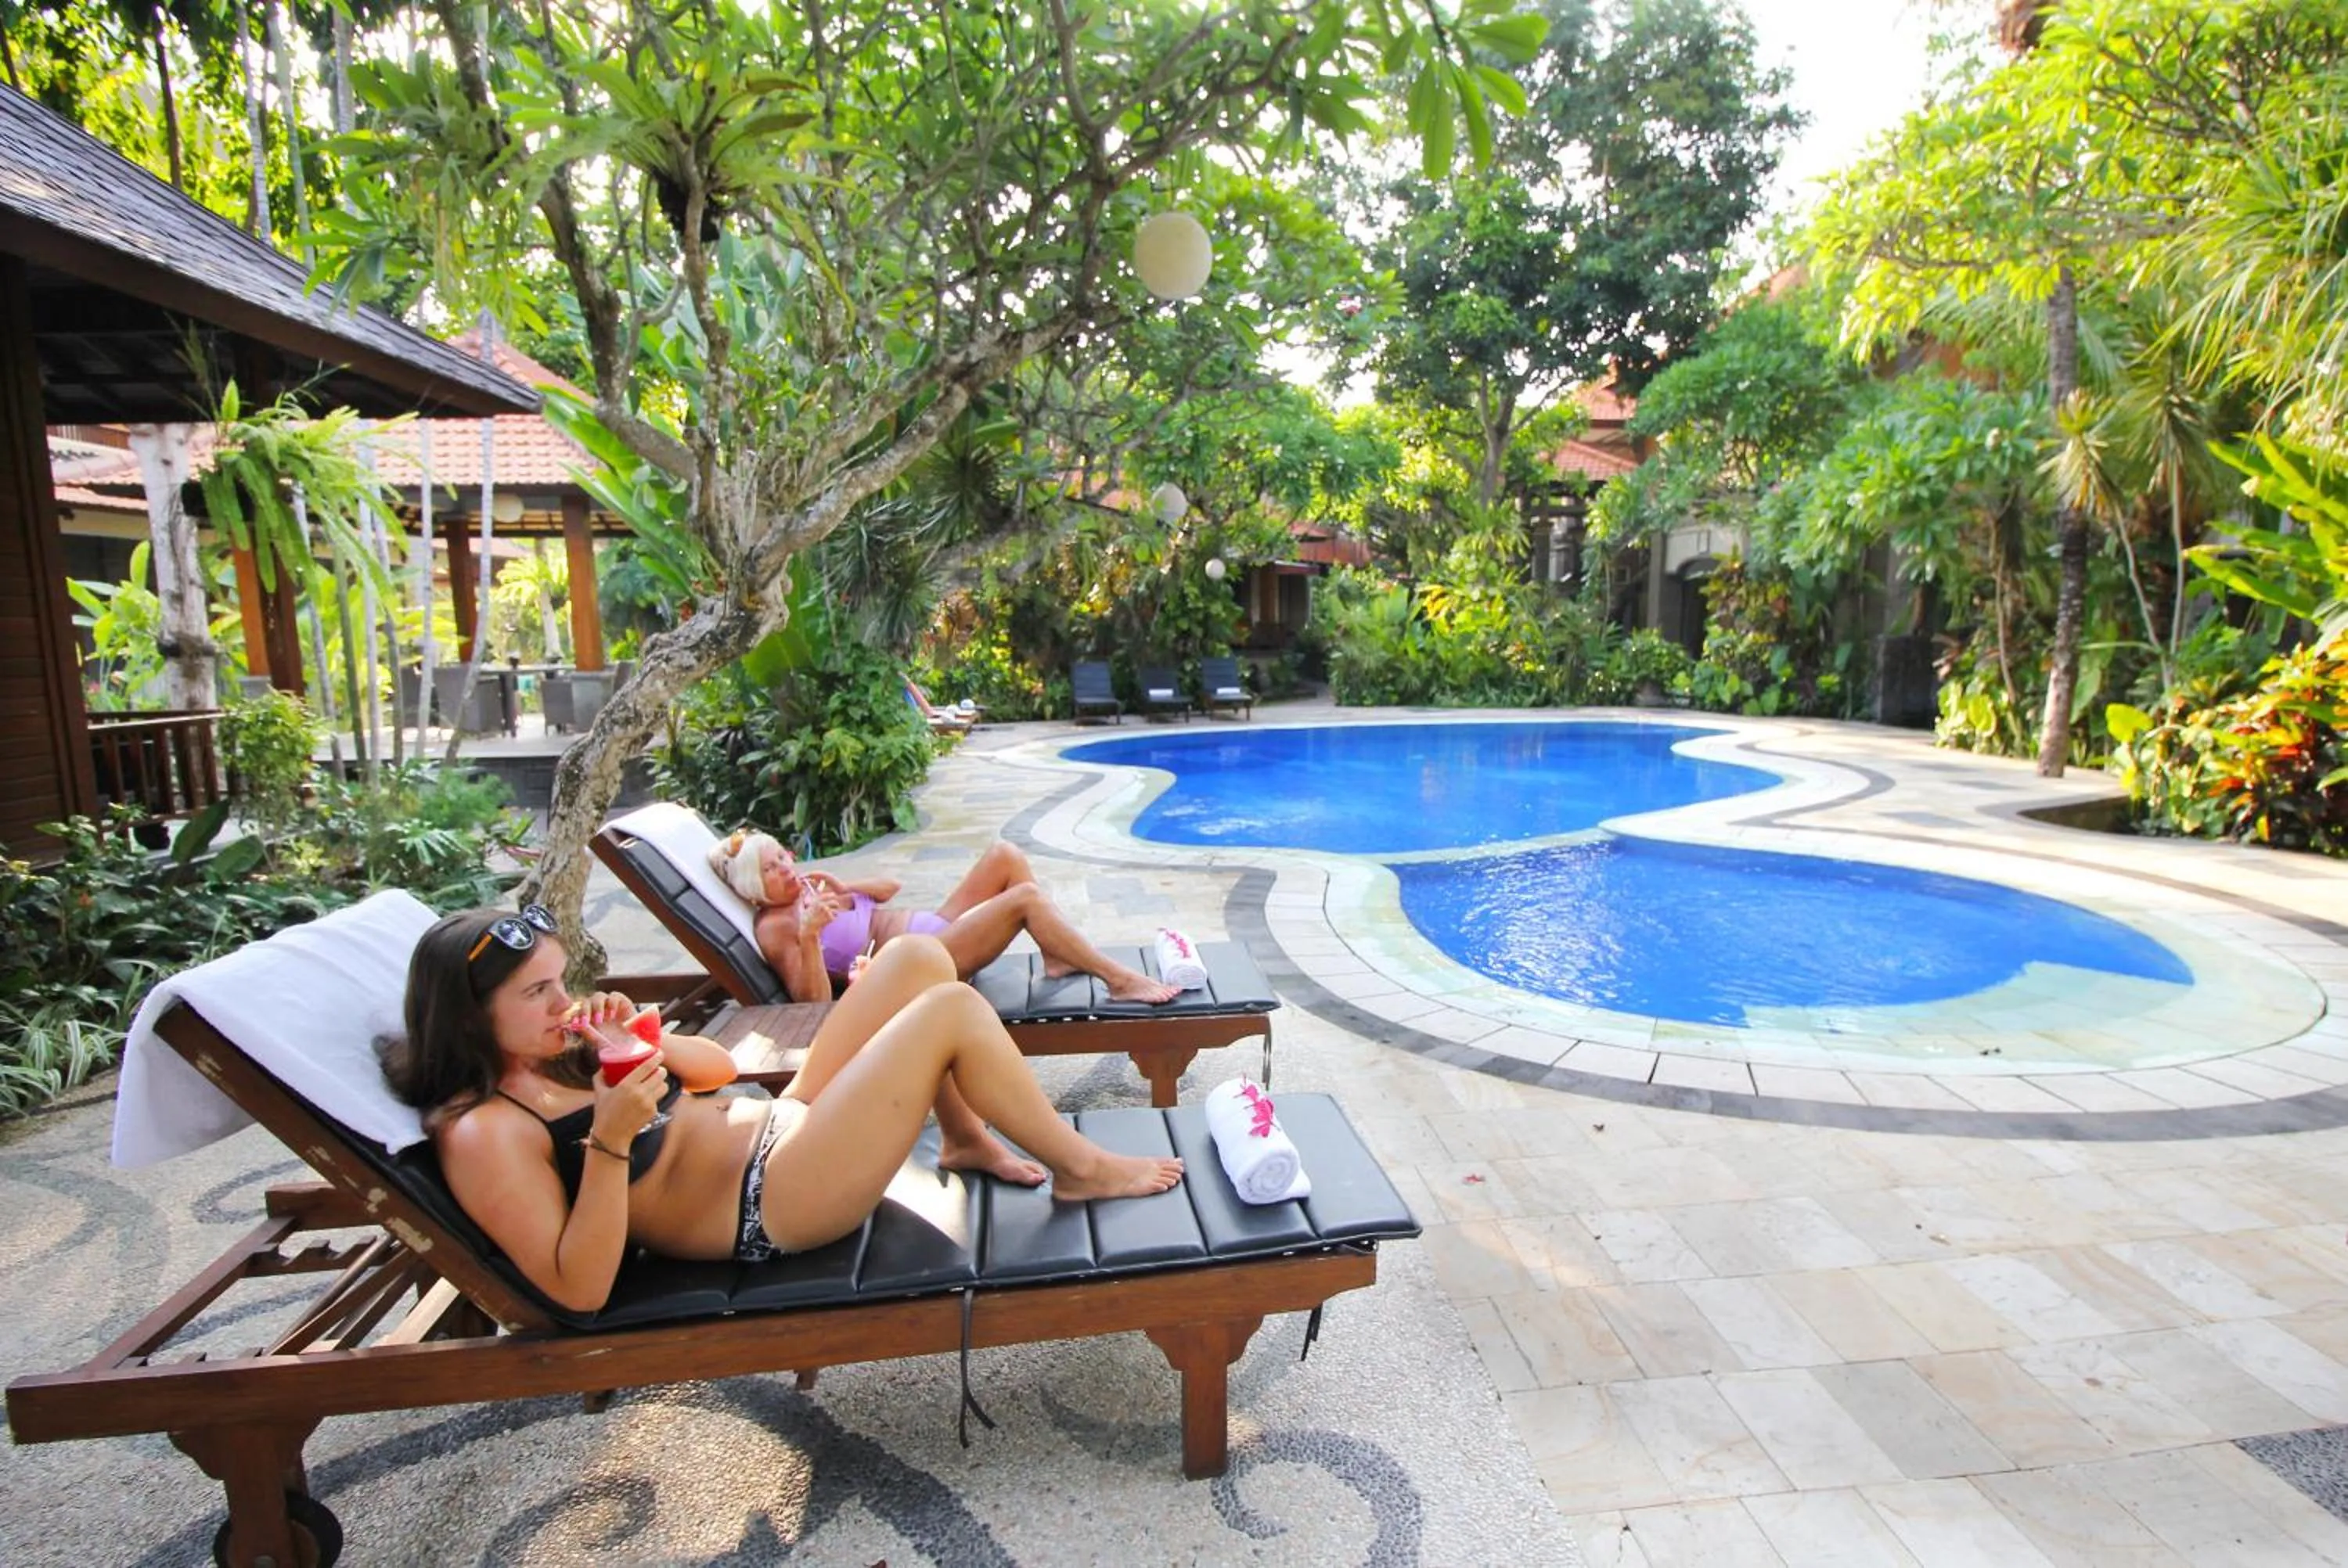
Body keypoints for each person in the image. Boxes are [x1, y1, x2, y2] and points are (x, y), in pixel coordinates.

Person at [380, 904, 1183, 1313]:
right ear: (468, 1018)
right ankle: (1080, 1171)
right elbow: (576, 1287)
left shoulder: (556, 1050)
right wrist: (612, 1141)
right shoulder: (486, 1131)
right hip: (777, 1201)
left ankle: (967, 1137)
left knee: (916, 959)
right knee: (952, 1015)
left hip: (777, 1123)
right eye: (538, 992)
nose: (563, 1001)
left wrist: (632, 1041)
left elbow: (718, 1070)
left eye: (561, 981)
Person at [707, 830, 1180, 1007]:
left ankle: (1057, 957)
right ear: (752, 883)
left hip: (935, 927)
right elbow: (809, 1003)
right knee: (1026, 899)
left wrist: (846, 886)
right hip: (924, 964)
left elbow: (891, 888)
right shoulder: (778, 927)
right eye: (771, 867)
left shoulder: (809, 889)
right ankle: (1119, 980)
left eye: (783, 856)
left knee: (1005, 854)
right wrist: (810, 939)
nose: (786, 867)